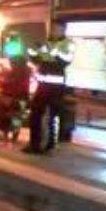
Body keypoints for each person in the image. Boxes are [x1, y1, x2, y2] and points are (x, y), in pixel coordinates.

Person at [24, 24, 73, 154]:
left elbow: (65, 60)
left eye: (56, 29)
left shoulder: (67, 44)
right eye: (52, 29)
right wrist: (32, 52)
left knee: (53, 116)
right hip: (42, 86)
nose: (53, 31)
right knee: (35, 114)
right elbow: (38, 59)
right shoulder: (47, 43)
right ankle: (34, 144)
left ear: (63, 30)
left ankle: (50, 146)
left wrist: (51, 50)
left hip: (56, 87)